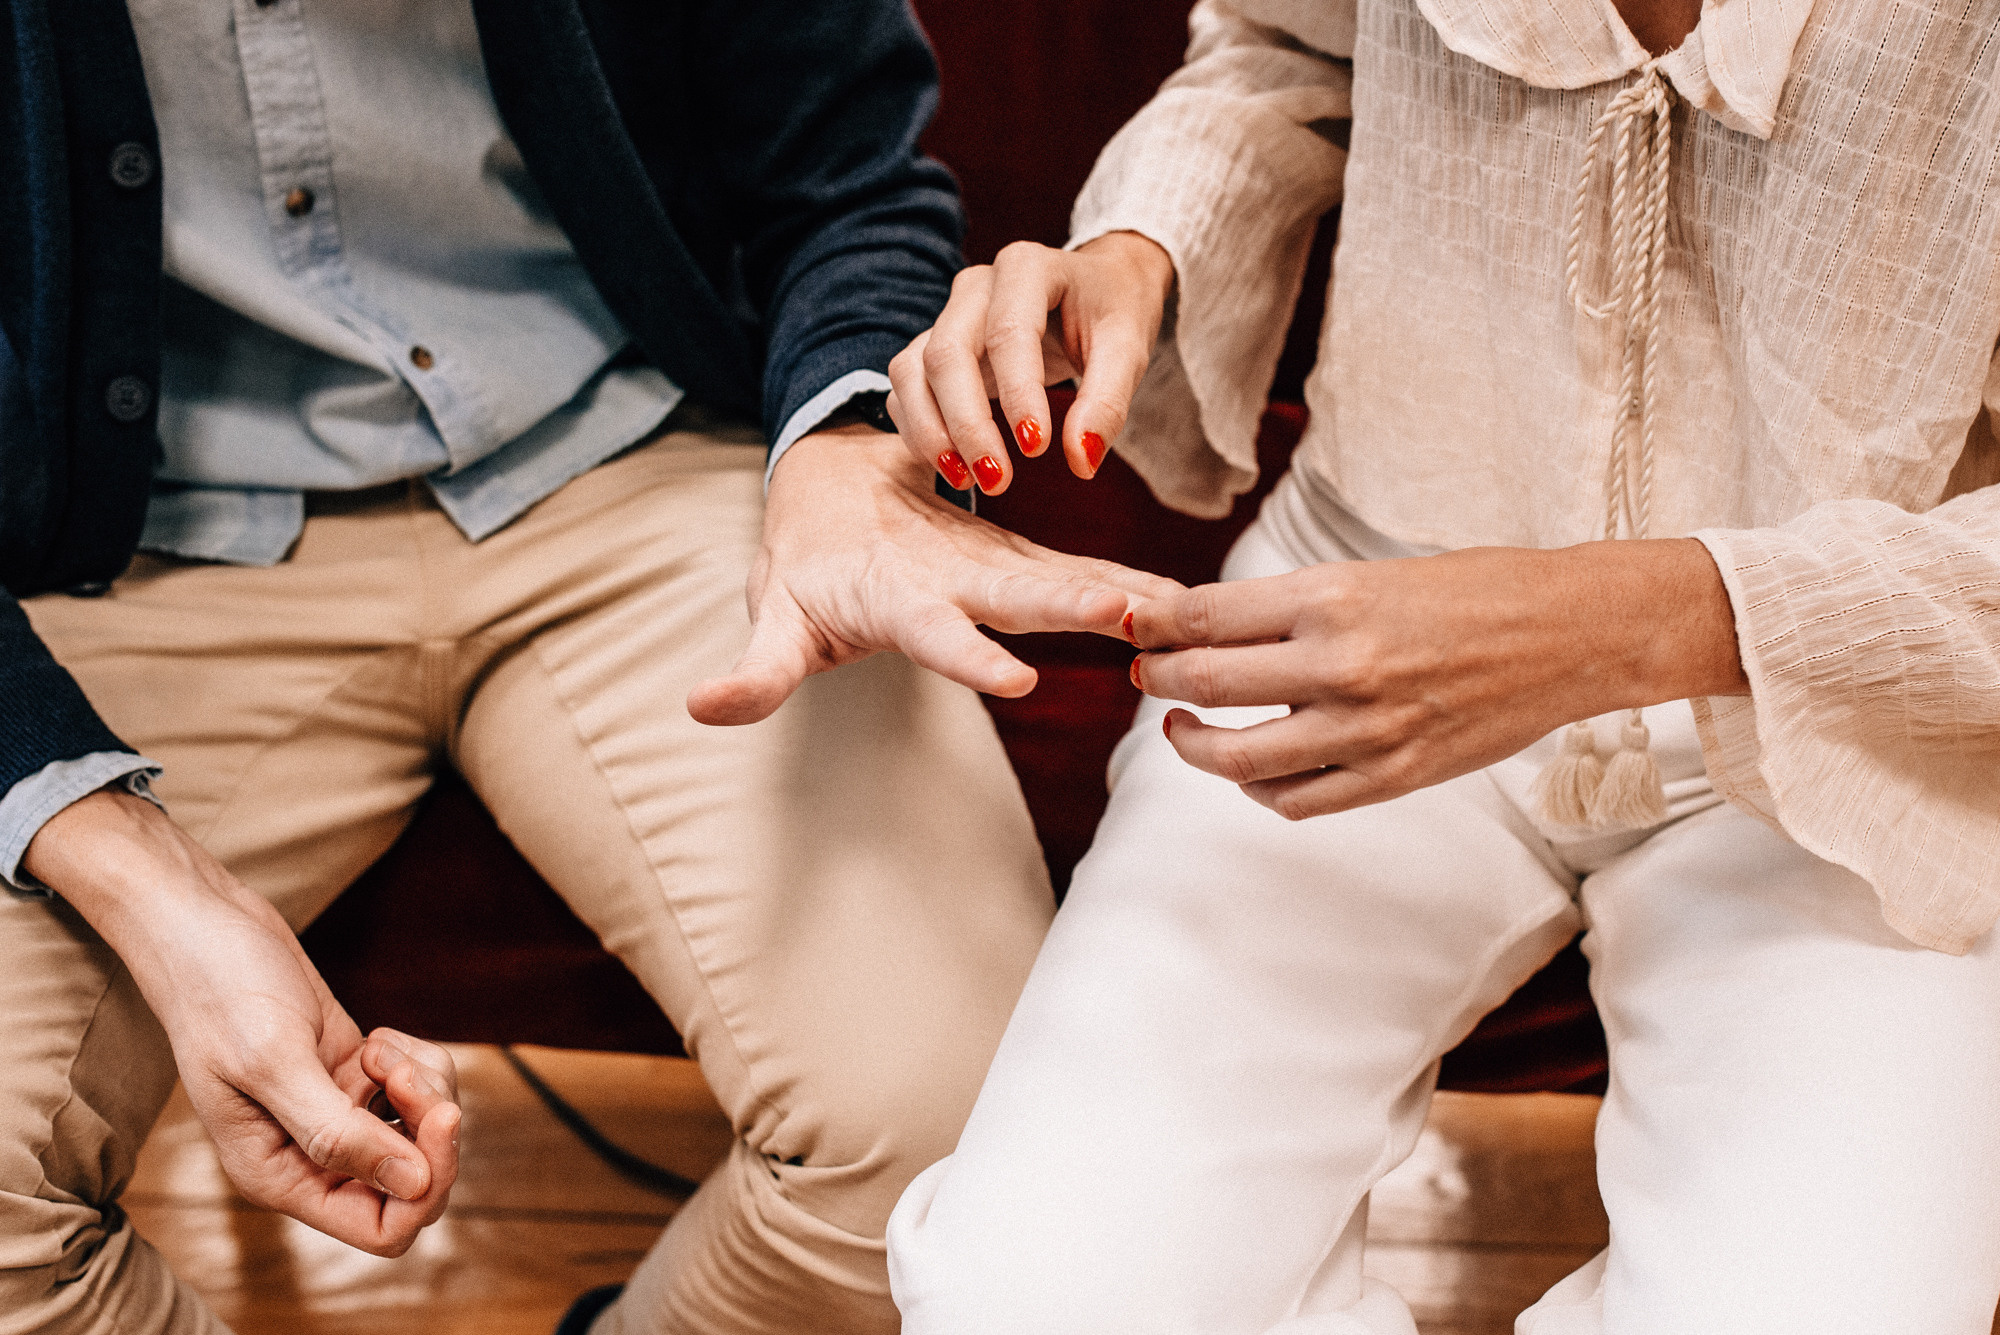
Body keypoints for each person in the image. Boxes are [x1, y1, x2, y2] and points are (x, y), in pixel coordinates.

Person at [0, 2, 1172, 1332]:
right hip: (125, 545)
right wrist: (154, 890)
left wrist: (843, 453)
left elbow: (847, 174)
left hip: (631, 455)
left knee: (962, 1146)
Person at [877, 0, 2000, 1329]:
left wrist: (1623, 619)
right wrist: (1142, 243)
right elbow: (1288, 52)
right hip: (1361, 607)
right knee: (1040, 1299)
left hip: (1869, 695)